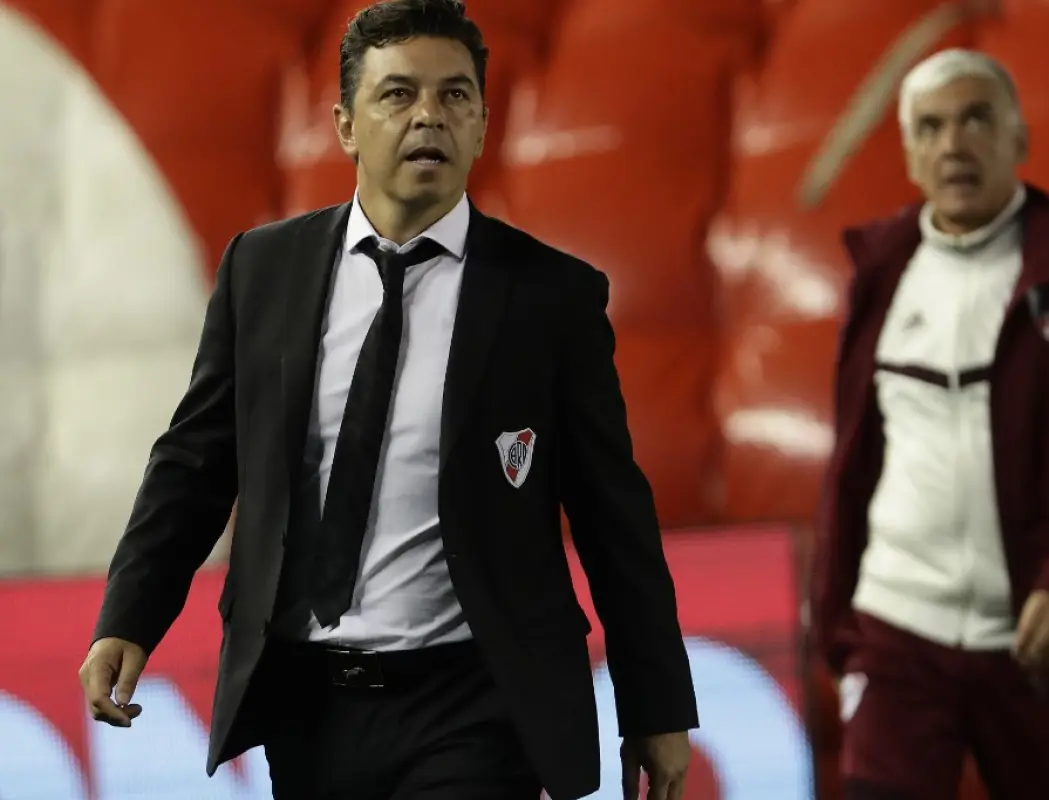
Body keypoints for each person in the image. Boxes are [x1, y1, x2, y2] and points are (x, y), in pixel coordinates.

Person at [77, 2, 698, 798]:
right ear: (345, 125)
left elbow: (615, 517)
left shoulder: (551, 299)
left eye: (455, 96)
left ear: (481, 125)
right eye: (398, 95)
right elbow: (196, 463)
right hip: (307, 701)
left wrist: (656, 703)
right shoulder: (262, 272)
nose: (429, 116)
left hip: (476, 701)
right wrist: (128, 615)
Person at [813, 48, 1049, 799]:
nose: (954, 145)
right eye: (932, 127)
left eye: (978, 119)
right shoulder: (879, 271)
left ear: (1018, 140)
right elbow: (857, 454)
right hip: (896, 629)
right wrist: (839, 612)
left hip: (1038, 638)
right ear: (910, 155)